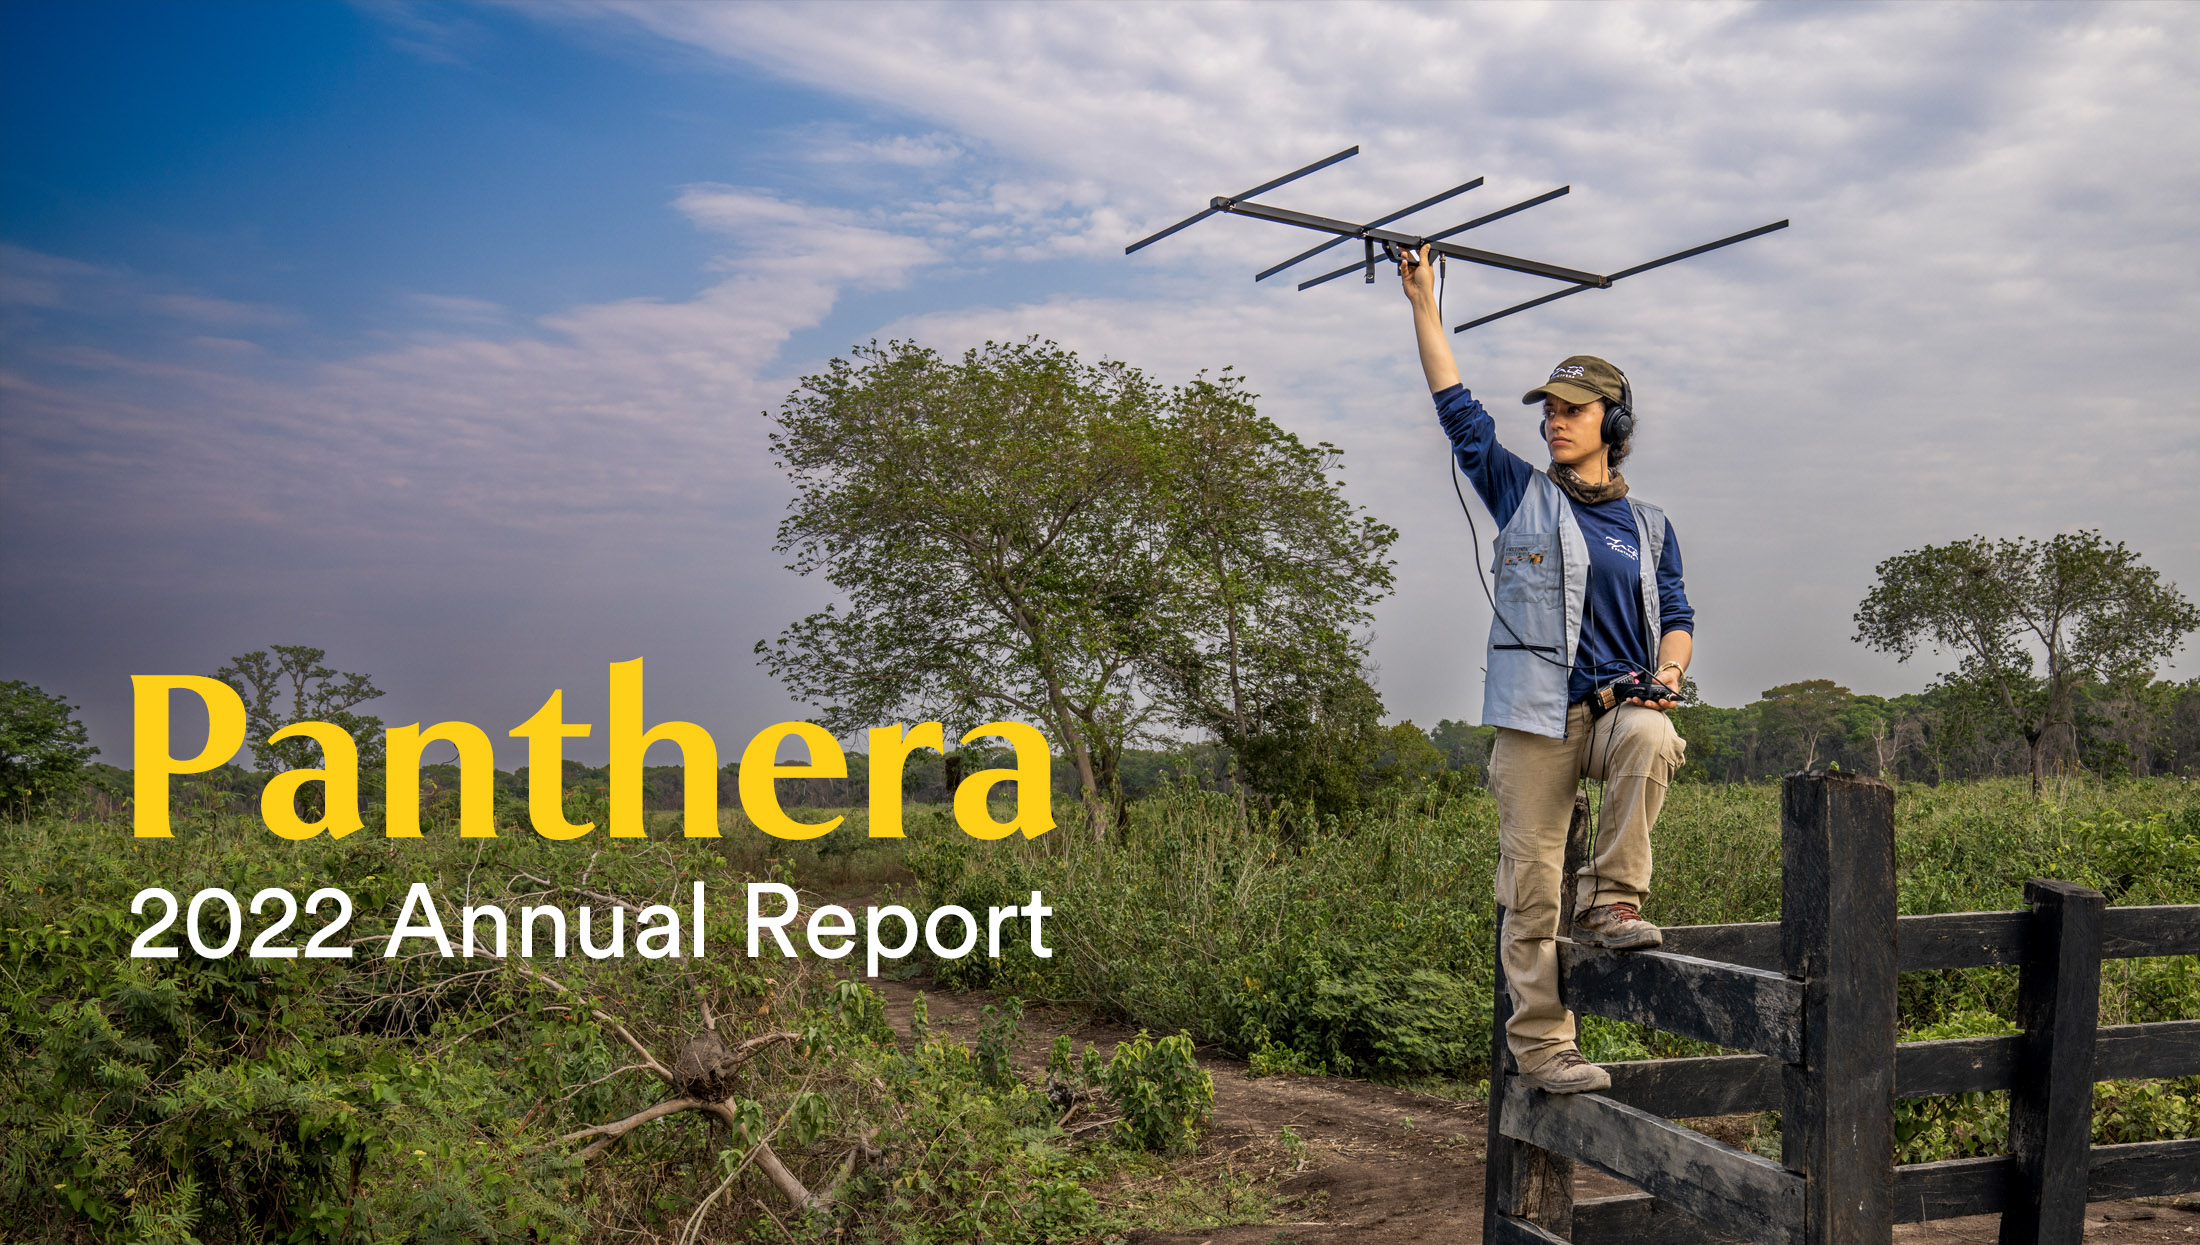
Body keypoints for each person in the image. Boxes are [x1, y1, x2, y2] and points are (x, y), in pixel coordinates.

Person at [1399, 246, 1693, 1095]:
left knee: (1653, 732)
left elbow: (1677, 617)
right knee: (1531, 886)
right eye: (1549, 411)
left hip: (1616, 707)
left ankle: (1612, 900)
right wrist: (1424, 302)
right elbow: (1461, 414)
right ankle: (1542, 1044)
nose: (1554, 422)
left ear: (1615, 422)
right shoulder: (1519, 491)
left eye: (1573, 409)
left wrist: (1667, 673)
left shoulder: (1649, 524)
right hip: (1537, 716)